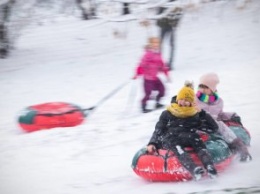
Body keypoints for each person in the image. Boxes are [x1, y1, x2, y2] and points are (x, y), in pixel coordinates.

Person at [146, 82, 218, 180]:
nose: (183, 102)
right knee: (178, 148)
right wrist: (152, 143)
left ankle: (209, 166)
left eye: (187, 100)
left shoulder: (194, 114)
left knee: (198, 142)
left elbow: (213, 128)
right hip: (171, 137)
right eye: (181, 99)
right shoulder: (167, 113)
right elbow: (159, 129)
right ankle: (194, 169)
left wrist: (202, 113)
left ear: (191, 102)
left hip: (188, 136)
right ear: (177, 99)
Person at [195, 72, 252, 162]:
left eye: (205, 87)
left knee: (220, 126)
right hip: (199, 124)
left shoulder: (218, 101)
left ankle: (239, 148)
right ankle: (238, 146)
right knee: (220, 125)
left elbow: (219, 114)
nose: (201, 89)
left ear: (211, 88)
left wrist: (232, 115)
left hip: (214, 124)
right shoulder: (194, 100)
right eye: (201, 86)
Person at [133, 37, 170, 113]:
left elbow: (162, 65)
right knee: (148, 93)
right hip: (148, 78)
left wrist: (166, 74)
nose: (156, 44)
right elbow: (141, 65)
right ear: (150, 44)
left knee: (162, 90)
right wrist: (137, 74)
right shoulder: (147, 54)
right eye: (154, 43)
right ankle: (143, 107)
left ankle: (157, 103)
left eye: (157, 43)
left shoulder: (158, 54)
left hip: (155, 78)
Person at [156, 0, 183, 70]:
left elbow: (180, 11)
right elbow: (159, 10)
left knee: (171, 45)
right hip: (164, 24)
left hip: (171, 25)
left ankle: (169, 64)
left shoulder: (176, 2)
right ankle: (160, 63)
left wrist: (175, 23)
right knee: (161, 45)